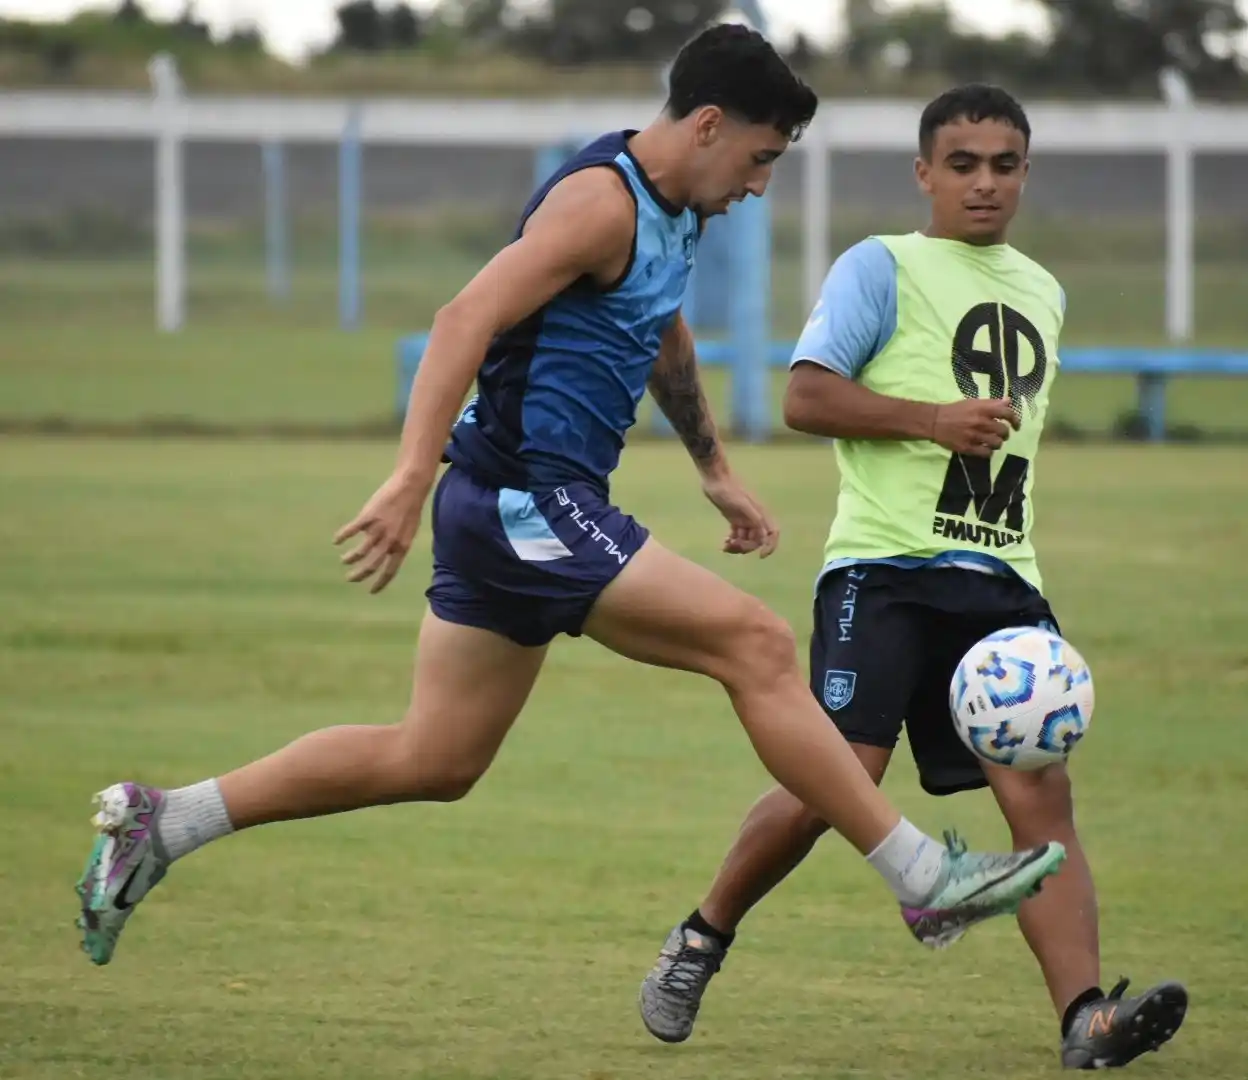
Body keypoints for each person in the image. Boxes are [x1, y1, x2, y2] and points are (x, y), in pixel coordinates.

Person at [74, 31, 1066, 972]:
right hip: (522, 499)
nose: (761, 186)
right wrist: (409, 476)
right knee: (756, 645)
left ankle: (170, 822)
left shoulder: (676, 213)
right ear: (709, 125)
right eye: (760, 159)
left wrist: (712, 467)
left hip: (514, 509)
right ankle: (923, 878)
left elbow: (663, 332)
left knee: (438, 756)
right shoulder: (602, 201)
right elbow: (463, 316)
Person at [637, 84, 1188, 1070]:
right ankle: (700, 938)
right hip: (884, 571)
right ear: (924, 173)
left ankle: (1086, 1020)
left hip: (1004, 584)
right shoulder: (880, 267)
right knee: (835, 781)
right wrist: (933, 418)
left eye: (1005, 164)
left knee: (1040, 802)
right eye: (964, 164)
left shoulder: (1044, 290)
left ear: (1027, 173)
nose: (985, 183)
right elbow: (806, 397)